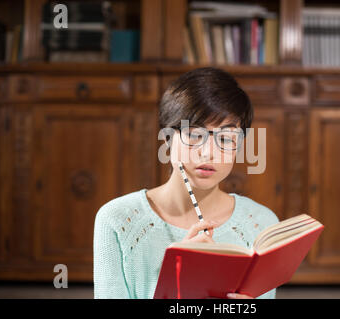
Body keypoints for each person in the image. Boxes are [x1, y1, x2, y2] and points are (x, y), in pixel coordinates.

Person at [93, 67, 279, 299]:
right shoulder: (116, 220)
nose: (208, 153)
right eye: (194, 134)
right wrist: (176, 282)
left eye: (225, 138)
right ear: (168, 138)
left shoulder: (262, 224)